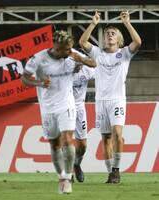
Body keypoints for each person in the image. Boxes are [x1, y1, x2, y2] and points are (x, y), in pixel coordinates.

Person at [21, 30, 96, 194]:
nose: (69, 52)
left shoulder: (71, 54)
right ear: (56, 46)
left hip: (67, 105)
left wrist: (80, 58)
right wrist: (39, 82)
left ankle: (68, 178)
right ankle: (61, 176)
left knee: (68, 139)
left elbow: (94, 63)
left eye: (70, 49)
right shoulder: (39, 59)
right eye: (66, 49)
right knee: (55, 145)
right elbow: (24, 78)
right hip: (47, 107)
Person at [79, 11, 141, 183]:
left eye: (113, 33)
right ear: (103, 39)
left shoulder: (125, 53)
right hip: (100, 102)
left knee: (117, 134)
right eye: (107, 34)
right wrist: (93, 23)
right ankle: (111, 173)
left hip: (117, 100)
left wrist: (127, 23)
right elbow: (83, 42)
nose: (109, 35)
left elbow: (137, 42)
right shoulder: (97, 53)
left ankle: (116, 169)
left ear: (119, 39)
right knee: (105, 138)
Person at [72, 65, 95, 182]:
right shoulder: (60, 70)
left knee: (82, 146)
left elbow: (103, 75)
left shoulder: (86, 70)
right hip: (63, 108)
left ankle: (76, 164)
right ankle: (66, 173)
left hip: (79, 108)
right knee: (64, 141)